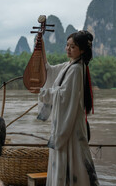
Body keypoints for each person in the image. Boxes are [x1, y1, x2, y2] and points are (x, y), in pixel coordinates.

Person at [36, 30, 99, 186]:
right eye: (67, 45)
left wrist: (43, 93)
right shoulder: (70, 65)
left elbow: (63, 96)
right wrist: (41, 44)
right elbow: (49, 71)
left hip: (69, 127)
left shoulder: (76, 69)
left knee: (71, 161)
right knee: (74, 163)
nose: (68, 49)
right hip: (68, 123)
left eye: (73, 47)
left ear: (82, 50)